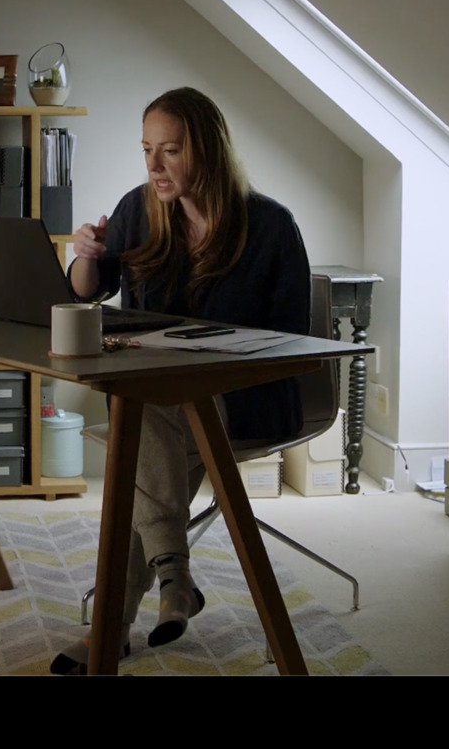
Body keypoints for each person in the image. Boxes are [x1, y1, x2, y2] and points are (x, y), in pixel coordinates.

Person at [50, 86, 311, 674]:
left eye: (169, 150)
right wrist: (85, 253)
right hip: (163, 397)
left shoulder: (270, 226)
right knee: (152, 412)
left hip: (246, 396)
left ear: (208, 150)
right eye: (146, 149)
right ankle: (172, 580)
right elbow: (87, 290)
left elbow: (296, 344)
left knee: (147, 421)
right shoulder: (139, 209)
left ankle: (120, 623)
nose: (153, 165)